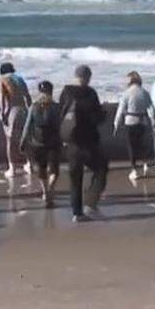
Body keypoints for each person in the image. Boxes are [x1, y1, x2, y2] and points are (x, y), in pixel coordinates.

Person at [58, 65, 108, 221]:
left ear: (75, 76)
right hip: (88, 143)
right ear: (88, 77)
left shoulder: (66, 92)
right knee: (101, 169)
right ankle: (90, 204)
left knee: (75, 179)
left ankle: (77, 214)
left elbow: (60, 114)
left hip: (70, 142)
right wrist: (104, 113)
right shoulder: (90, 93)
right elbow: (96, 119)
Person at [21, 80, 62, 206]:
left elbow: (27, 126)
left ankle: (45, 192)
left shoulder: (33, 107)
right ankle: (50, 191)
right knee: (54, 171)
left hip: (37, 144)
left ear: (39, 92)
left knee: (42, 170)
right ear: (51, 92)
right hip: (54, 143)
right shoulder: (56, 107)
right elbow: (60, 126)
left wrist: (22, 141)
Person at [114, 71, 155, 182]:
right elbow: (151, 109)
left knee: (131, 146)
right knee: (141, 144)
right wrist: (153, 122)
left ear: (130, 81)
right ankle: (145, 164)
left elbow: (120, 110)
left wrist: (116, 124)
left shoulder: (126, 93)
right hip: (142, 121)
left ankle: (134, 170)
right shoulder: (145, 93)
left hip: (130, 122)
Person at [0, 62, 32, 178]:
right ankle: (29, 164)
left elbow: (3, 99)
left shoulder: (3, 80)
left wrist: (3, 114)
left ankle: (12, 168)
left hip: (12, 111)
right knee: (25, 138)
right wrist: (30, 112)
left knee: (10, 141)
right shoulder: (20, 79)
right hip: (24, 110)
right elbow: (28, 97)